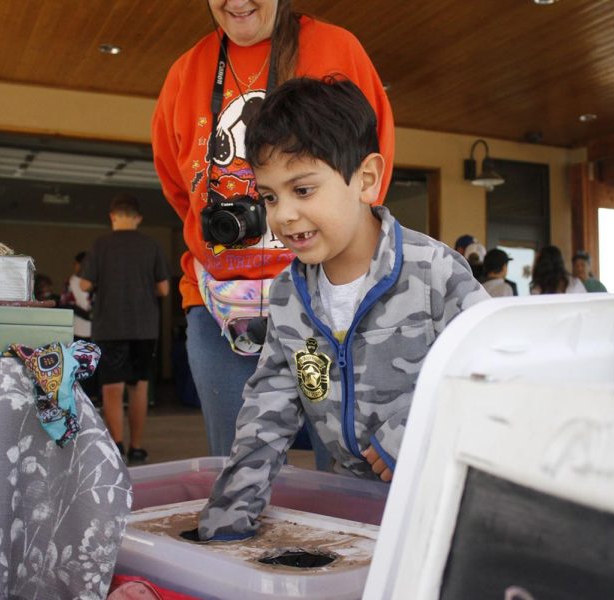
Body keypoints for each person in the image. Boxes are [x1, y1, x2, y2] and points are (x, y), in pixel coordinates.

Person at [191, 77, 487, 541]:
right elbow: (268, 407)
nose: (283, 215)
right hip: (355, 512)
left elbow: (497, 375)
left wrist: (411, 433)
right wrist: (228, 518)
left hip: (446, 508)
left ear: (366, 179)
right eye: (269, 197)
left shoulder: (435, 272)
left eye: (303, 190)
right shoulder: (290, 293)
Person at [152, 0, 395, 463]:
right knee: (239, 469)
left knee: (349, 469)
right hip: (221, 307)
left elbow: (371, 174)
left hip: (333, 301)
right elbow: (178, 188)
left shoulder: (336, 49)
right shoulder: (186, 72)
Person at [80, 194, 171, 461]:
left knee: (112, 388)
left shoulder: (101, 245)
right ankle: (137, 446)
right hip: (144, 327)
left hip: (109, 326)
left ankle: (117, 445)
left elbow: (84, 284)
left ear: (112, 216)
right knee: (139, 386)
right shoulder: (151, 245)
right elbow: (164, 288)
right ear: (138, 218)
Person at [59, 251, 99, 401]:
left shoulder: (95, 282)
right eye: (77, 264)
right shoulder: (71, 282)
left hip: (97, 331)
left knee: (95, 366)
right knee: (80, 365)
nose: (78, 267)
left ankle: (94, 397)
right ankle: (80, 398)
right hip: (78, 330)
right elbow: (66, 304)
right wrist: (88, 314)